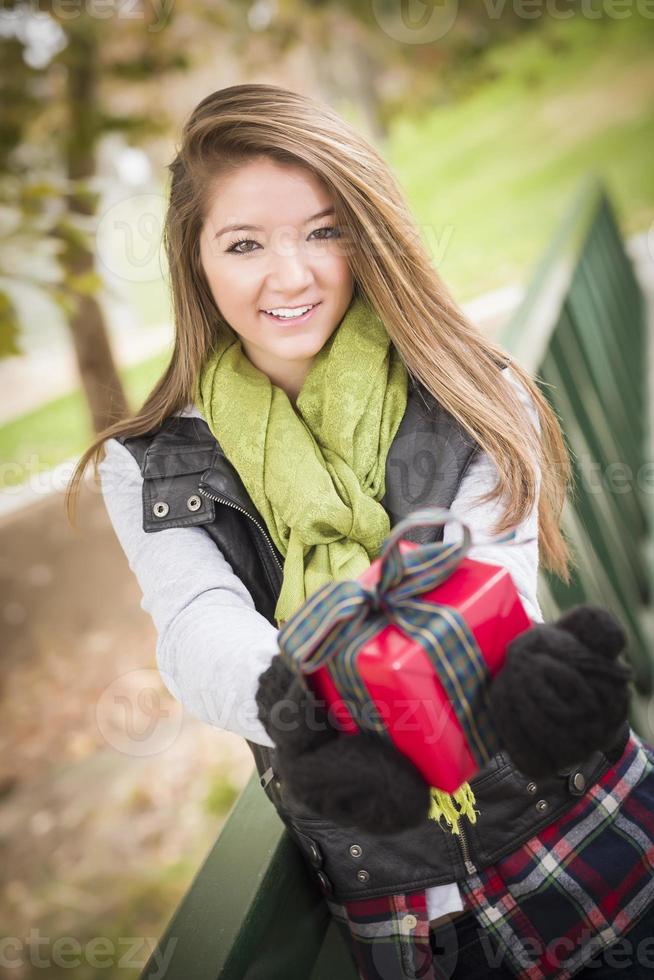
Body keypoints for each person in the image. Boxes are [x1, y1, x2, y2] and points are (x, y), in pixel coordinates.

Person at [66, 84, 654, 979]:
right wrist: (299, 709)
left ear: (366, 232)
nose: (291, 274)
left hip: (579, 824)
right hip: (399, 902)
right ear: (194, 260)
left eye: (325, 229)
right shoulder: (149, 461)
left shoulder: (468, 383)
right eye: (245, 243)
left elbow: (487, 572)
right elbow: (195, 625)